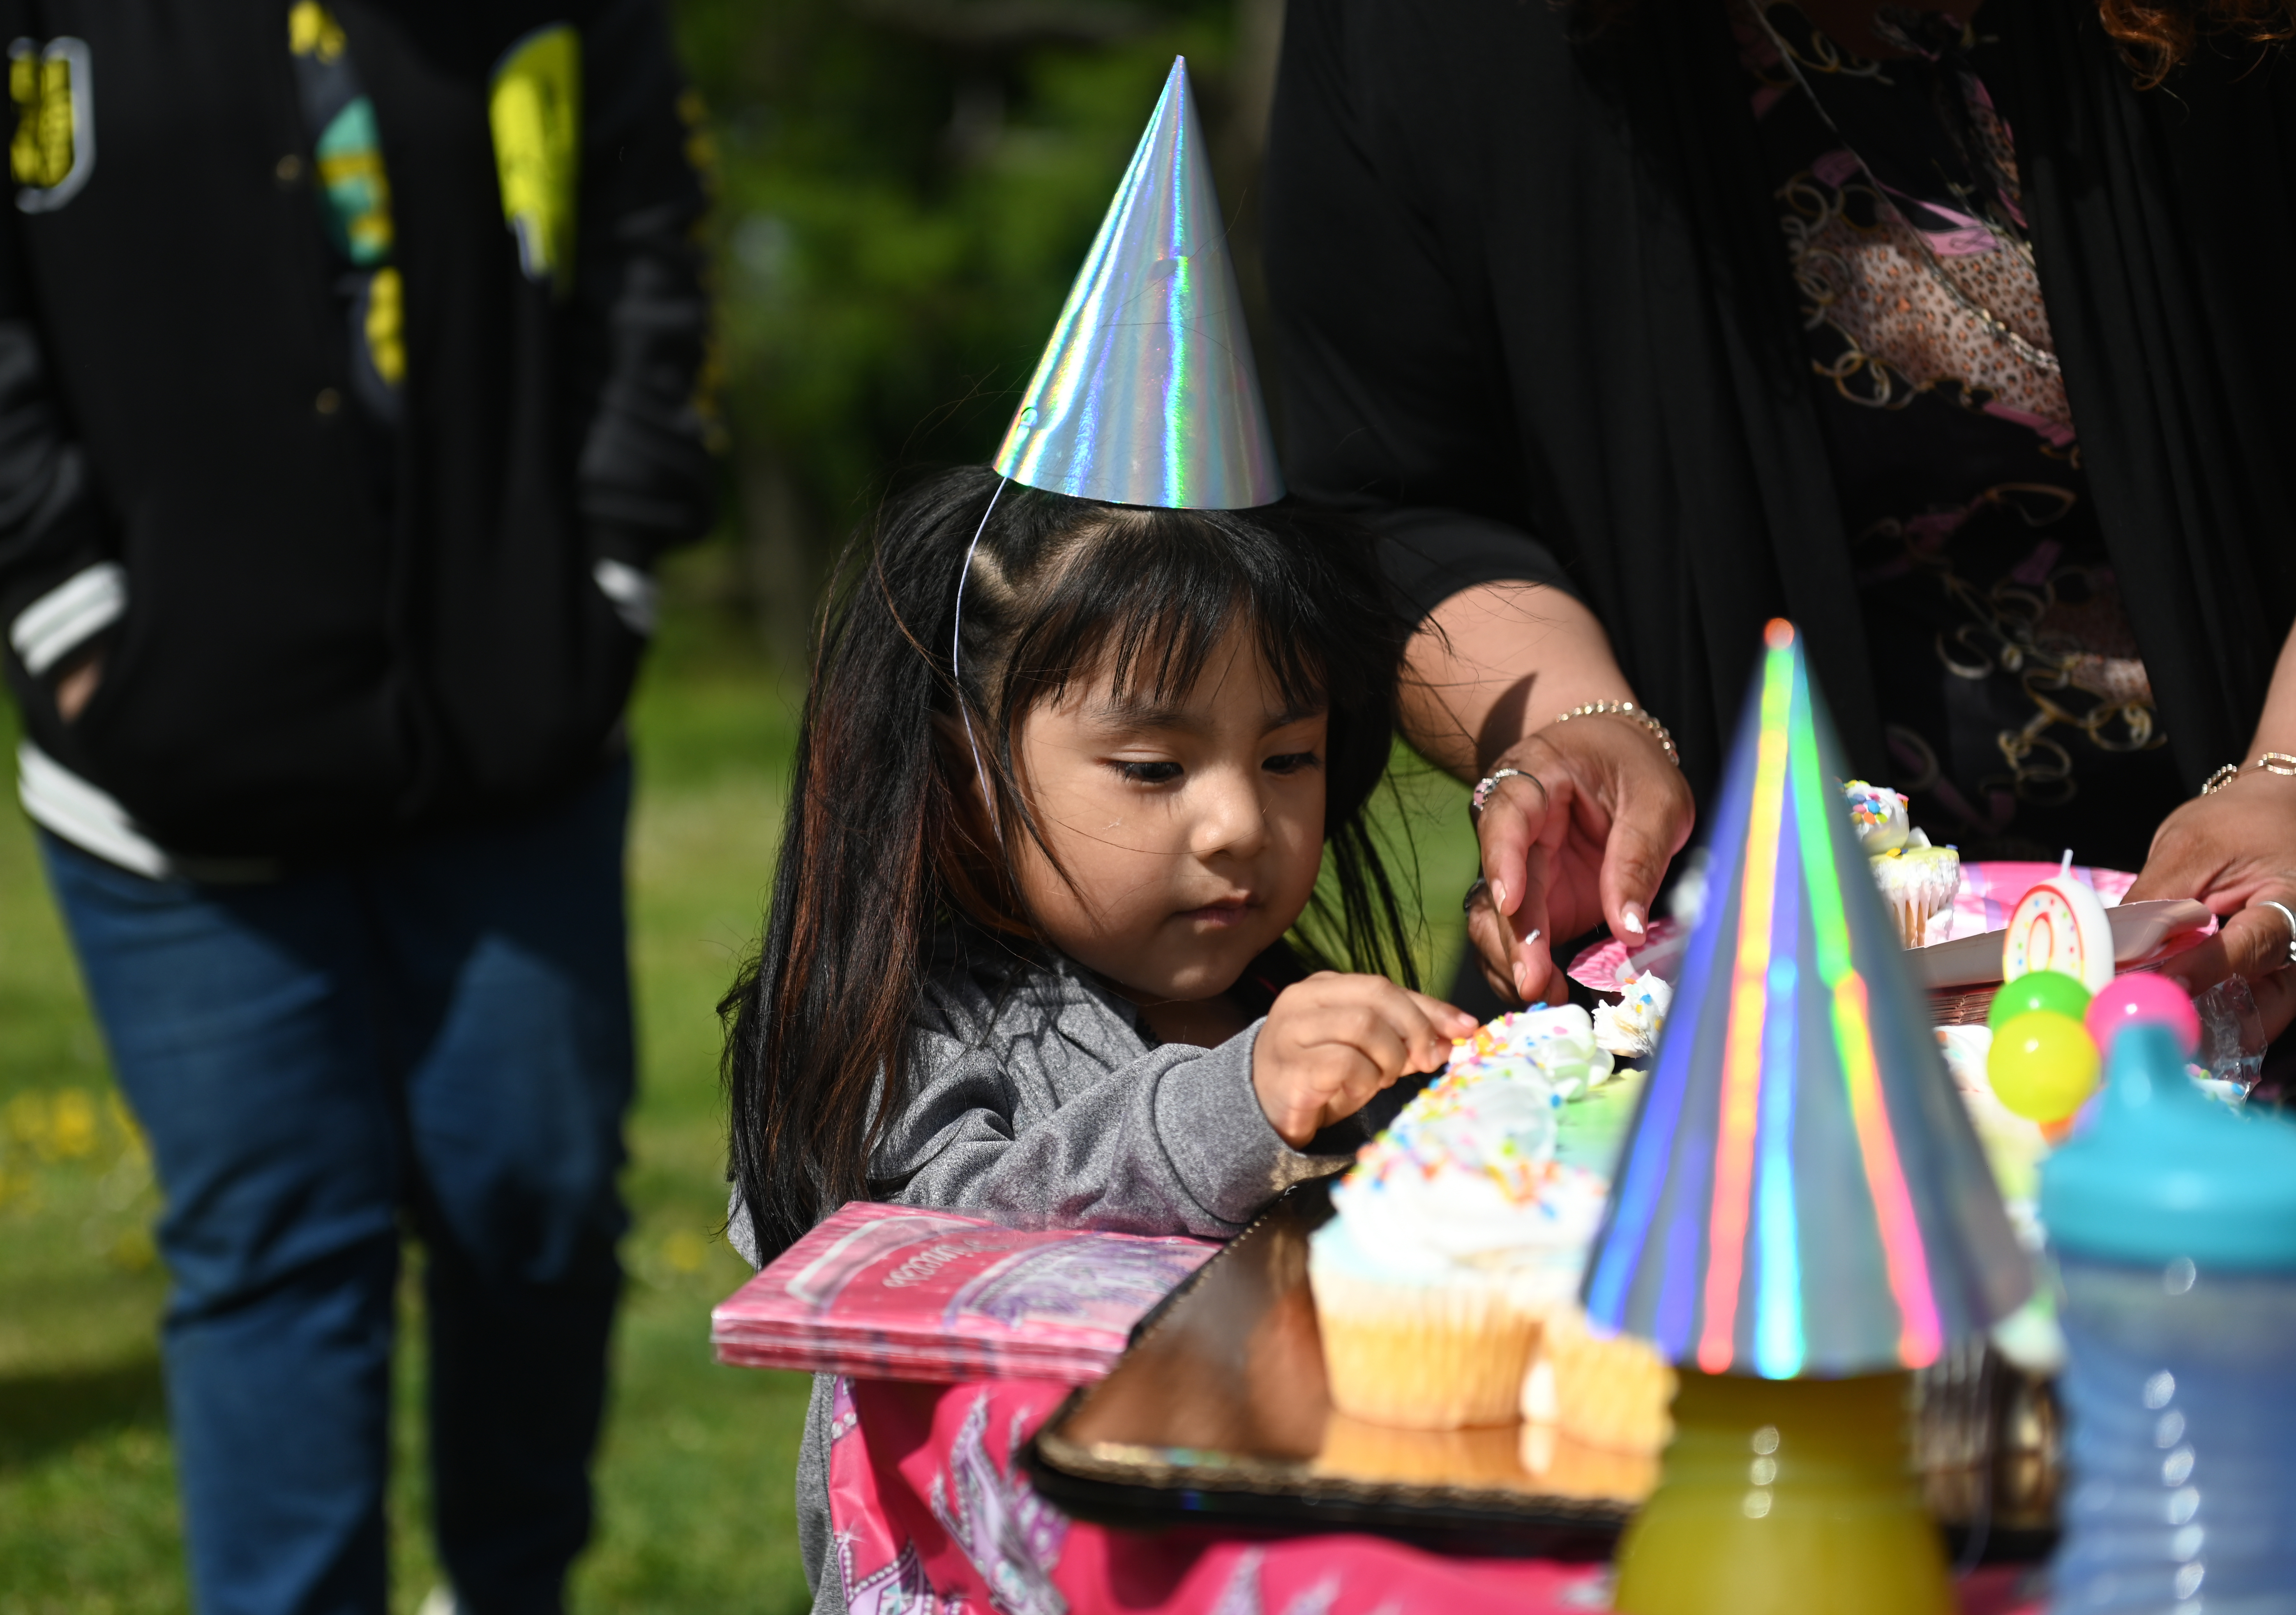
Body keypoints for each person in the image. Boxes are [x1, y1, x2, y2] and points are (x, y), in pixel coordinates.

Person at [0, 5, 714, 1612]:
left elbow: (655, 246)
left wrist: (606, 564)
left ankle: (507, 1584)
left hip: (509, 729)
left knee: (531, 1198)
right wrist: (69, 614)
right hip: (171, 774)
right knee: (279, 1248)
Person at [1262, 0, 2296, 1051]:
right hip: (1708, 1018)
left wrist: (2286, 778)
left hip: (2236, 941)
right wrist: (1587, 722)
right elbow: (1395, 499)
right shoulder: (1426, 35)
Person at [721, 465, 1471, 1601]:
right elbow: (929, 1246)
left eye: (1287, 757)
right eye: (1154, 768)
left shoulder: (1288, 1018)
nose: (1236, 824)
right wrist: (1228, 1111)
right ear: (969, 770)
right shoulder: (919, 1032)